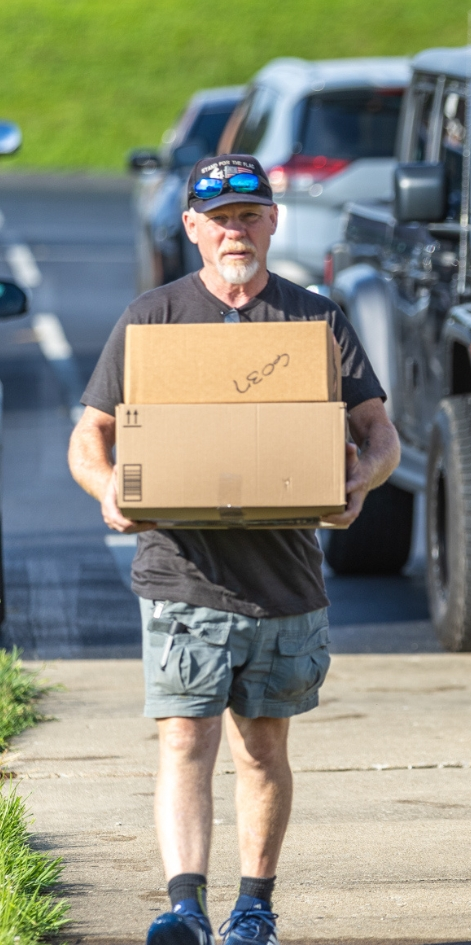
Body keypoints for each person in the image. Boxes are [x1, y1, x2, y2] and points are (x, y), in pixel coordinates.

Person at [68, 154, 400, 945]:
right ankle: (184, 904)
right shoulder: (153, 319)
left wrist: (362, 482)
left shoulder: (314, 320)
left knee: (261, 745)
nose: (234, 232)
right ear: (191, 229)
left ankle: (255, 905)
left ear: (272, 221)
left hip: (285, 581)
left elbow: (379, 433)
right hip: (182, 573)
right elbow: (90, 435)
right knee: (184, 736)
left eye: (249, 215)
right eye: (218, 219)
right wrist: (107, 487)